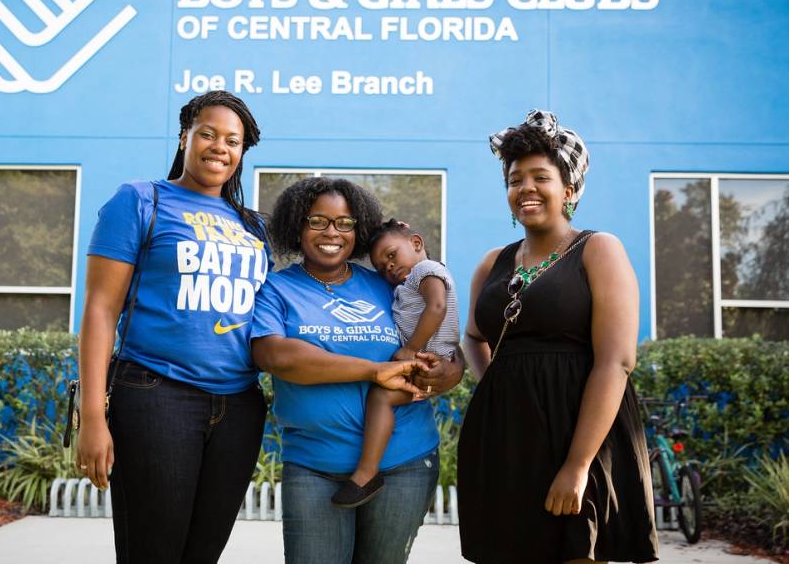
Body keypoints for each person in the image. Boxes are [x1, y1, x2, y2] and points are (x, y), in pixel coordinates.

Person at [76, 90, 271, 563]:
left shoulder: (254, 226)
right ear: (185, 136)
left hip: (238, 407)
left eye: (233, 140)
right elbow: (101, 309)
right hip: (156, 395)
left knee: (202, 554)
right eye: (208, 133)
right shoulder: (142, 200)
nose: (219, 147)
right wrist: (93, 417)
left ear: (243, 152)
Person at [457, 110, 658, 564]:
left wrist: (578, 464)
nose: (524, 187)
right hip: (505, 438)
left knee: (576, 552)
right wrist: (494, 387)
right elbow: (472, 336)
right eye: (514, 179)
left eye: (539, 177)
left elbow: (616, 362)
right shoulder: (493, 262)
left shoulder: (598, 249)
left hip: (580, 433)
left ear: (568, 190)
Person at [251, 177, 465, 564]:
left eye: (345, 223)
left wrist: (452, 370)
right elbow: (275, 356)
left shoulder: (389, 284)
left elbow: (439, 332)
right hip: (315, 467)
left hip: (406, 464)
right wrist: (373, 370)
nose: (332, 232)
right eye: (317, 221)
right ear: (297, 226)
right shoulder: (277, 290)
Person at [332, 219, 462, 508]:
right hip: (425, 359)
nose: (389, 267)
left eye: (391, 255)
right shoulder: (407, 284)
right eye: (382, 267)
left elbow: (437, 307)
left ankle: (365, 474)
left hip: (425, 358)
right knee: (382, 397)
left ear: (416, 243)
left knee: (381, 397)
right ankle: (367, 472)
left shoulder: (426, 270)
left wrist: (410, 349)